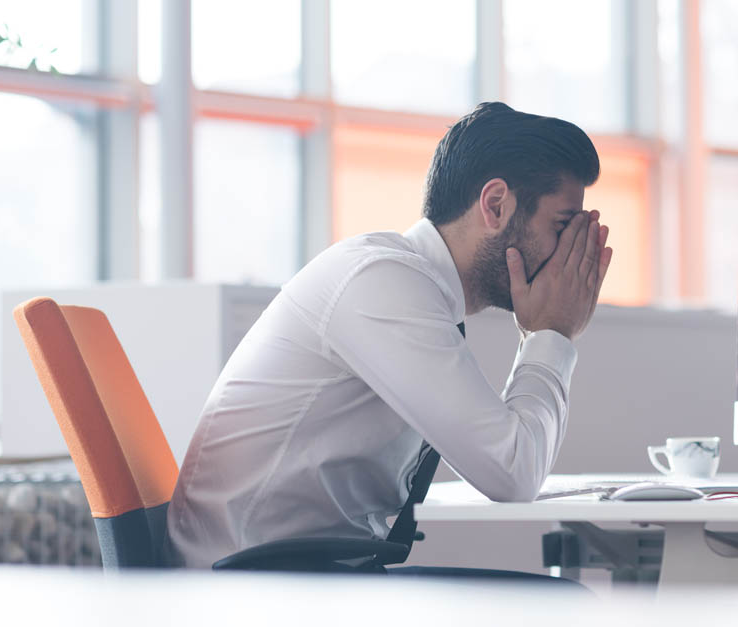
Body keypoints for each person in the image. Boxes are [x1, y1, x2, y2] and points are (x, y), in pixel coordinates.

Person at [167, 102, 613, 574]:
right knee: (560, 606)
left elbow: (509, 466)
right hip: (251, 587)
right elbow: (514, 473)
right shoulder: (382, 281)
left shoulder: (413, 289)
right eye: (563, 228)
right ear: (496, 205)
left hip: (303, 573)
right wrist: (551, 334)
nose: (571, 253)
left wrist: (545, 334)